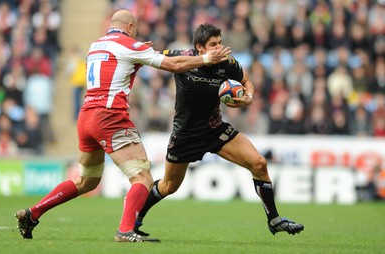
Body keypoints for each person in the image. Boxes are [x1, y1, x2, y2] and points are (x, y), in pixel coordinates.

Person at [15, 10, 231, 243]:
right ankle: (126, 230)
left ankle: (33, 213)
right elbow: (174, 64)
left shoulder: (95, 46)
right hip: (110, 117)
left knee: (86, 181)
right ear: (129, 26)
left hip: (86, 116)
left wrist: (138, 52)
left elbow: (118, 66)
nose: (136, 34)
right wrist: (207, 59)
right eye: (135, 30)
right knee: (142, 178)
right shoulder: (130, 45)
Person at [134, 23, 304, 238]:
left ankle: (275, 220)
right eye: (213, 44)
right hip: (185, 134)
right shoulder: (181, 56)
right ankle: (135, 218)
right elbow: (150, 56)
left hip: (215, 129)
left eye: (220, 43)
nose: (219, 47)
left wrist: (248, 97)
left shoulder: (227, 62)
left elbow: (247, 80)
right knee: (169, 186)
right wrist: (137, 49)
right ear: (200, 47)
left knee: (259, 163)